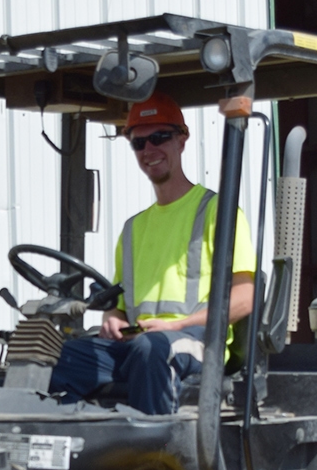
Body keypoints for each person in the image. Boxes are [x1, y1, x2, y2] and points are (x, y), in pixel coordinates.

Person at [49, 93, 255, 415]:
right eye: (139, 142)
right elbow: (116, 306)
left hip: (198, 341)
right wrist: (112, 321)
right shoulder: (133, 229)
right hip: (138, 342)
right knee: (58, 358)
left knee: (151, 350)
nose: (149, 150)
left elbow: (245, 298)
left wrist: (176, 325)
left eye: (160, 138)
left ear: (182, 140)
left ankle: (158, 457)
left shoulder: (218, 212)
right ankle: (71, 455)